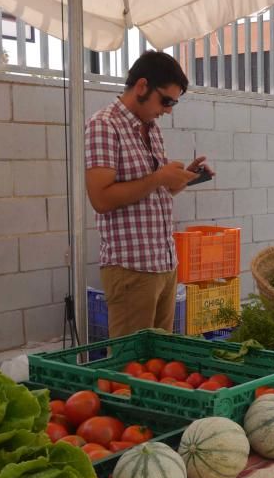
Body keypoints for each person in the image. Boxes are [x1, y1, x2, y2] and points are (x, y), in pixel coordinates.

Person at [85, 50, 214, 337]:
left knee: (160, 361)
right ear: (142, 86)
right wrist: (159, 177)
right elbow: (101, 199)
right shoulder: (104, 125)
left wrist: (184, 178)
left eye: (173, 103)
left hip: (164, 264)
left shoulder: (151, 128)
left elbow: (156, 194)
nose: (168, 110)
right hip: (131, 268)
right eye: (166, 100)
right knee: (130, 366)